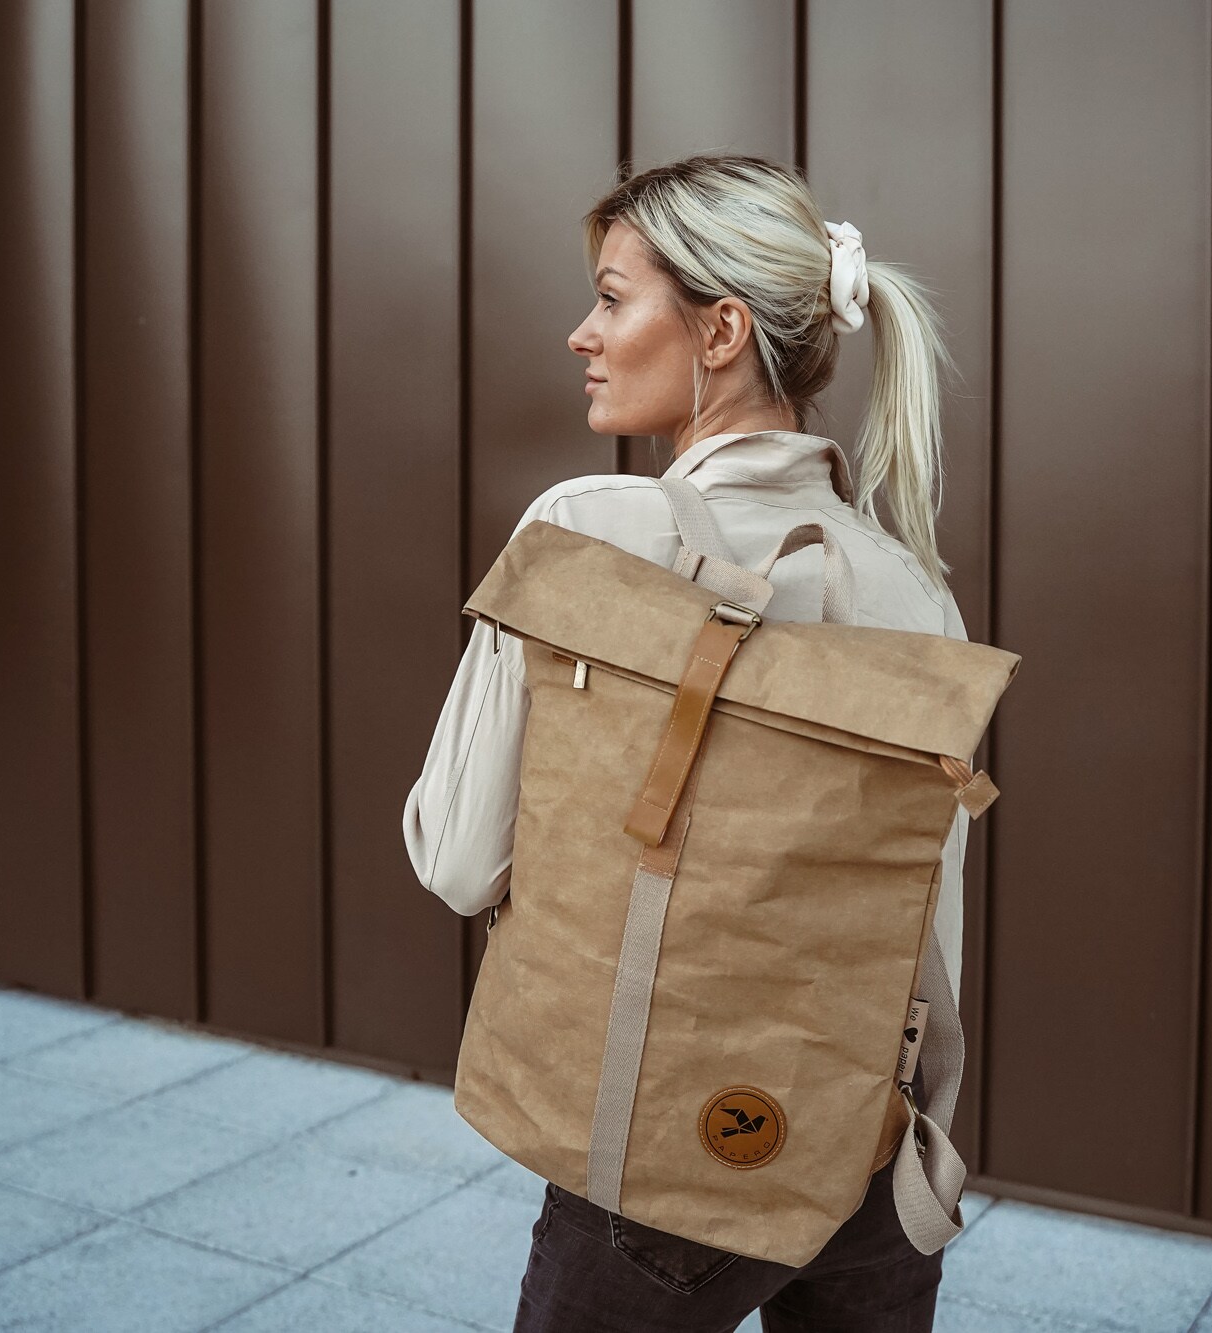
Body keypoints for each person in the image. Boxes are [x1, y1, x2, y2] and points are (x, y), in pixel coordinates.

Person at [403, 153, 972, 1332]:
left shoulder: (581, 535)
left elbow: (459, 862)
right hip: (865, 1148)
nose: (581, 333)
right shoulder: (914, 588)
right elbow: (926, 928)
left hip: (658, 1155)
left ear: (718, 332)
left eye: (612, 298)